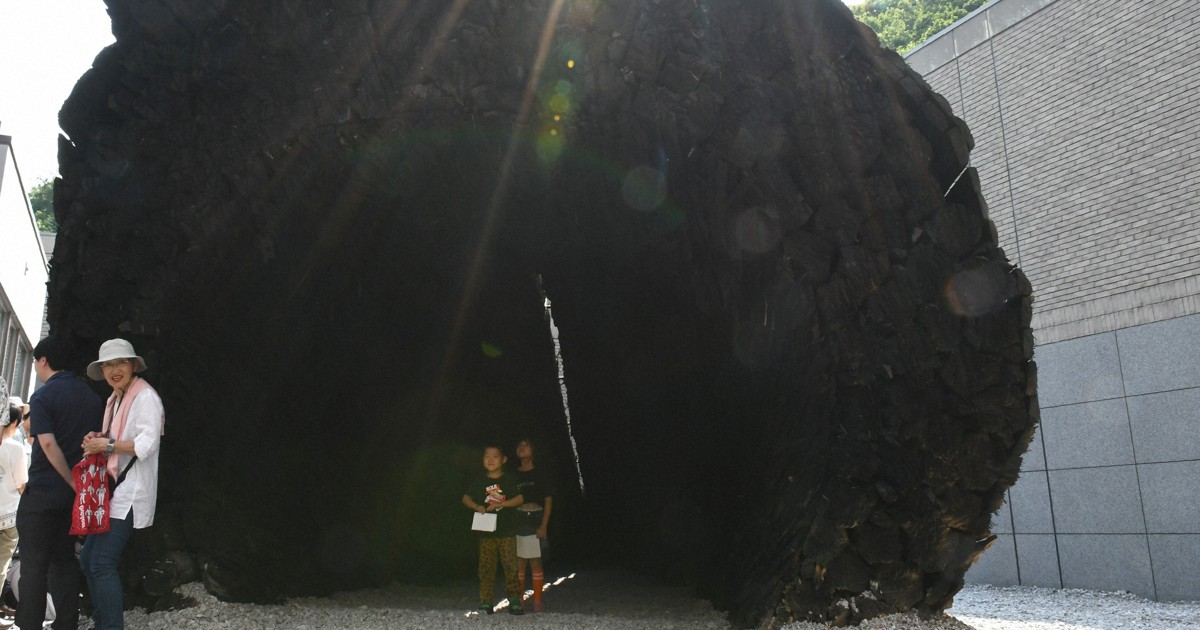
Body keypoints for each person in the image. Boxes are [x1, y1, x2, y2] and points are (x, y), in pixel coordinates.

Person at [19, 335, 104, 630]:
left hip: (43, 493)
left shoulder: (43, 396)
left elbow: (47, 444)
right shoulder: (94, 398)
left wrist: (70, 480)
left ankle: (30, 624)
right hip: (74, 499)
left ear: (43, 361)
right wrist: (79, 487)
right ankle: (66, 624)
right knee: (64, 560)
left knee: (33, 566)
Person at [78, 339, 165, 630]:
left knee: (101, 563)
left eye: (120, 363)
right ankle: (103, 620)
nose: (115, 369)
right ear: (102, 370)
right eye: (108, 365)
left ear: (133, 365)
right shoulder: (115, 398)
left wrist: (109, 445)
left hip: (130, 492)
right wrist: (98, 439)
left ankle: (110, 626)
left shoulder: (145, 397)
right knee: (89, 559)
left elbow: (148, 443)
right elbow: (112, 439)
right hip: (113, 491)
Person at [461, 444, 524, 615]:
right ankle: (486, 601)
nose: (490, 459)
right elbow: (465, 498)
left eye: (495, 456)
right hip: (485, 532)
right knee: (486, 567)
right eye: (487, 456)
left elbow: (520, 498)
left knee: (510, 565)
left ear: (504, 460)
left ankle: (514, 600)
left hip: (507, 531)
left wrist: (502, 504)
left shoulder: (509, 479)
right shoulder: (479, 481)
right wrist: (477, 506)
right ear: (482, 460)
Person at [513, 437, 555, 613]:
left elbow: (548, 500)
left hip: (535, 518)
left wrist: (544, 525)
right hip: (518, 518)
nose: (522, 447)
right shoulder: (512, 474)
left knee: (536, 561)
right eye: (519, 444)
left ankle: (537, 600)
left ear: (534, 450)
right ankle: (520, 599)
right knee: (519, 562)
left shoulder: (540, 473)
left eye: (526, 444)